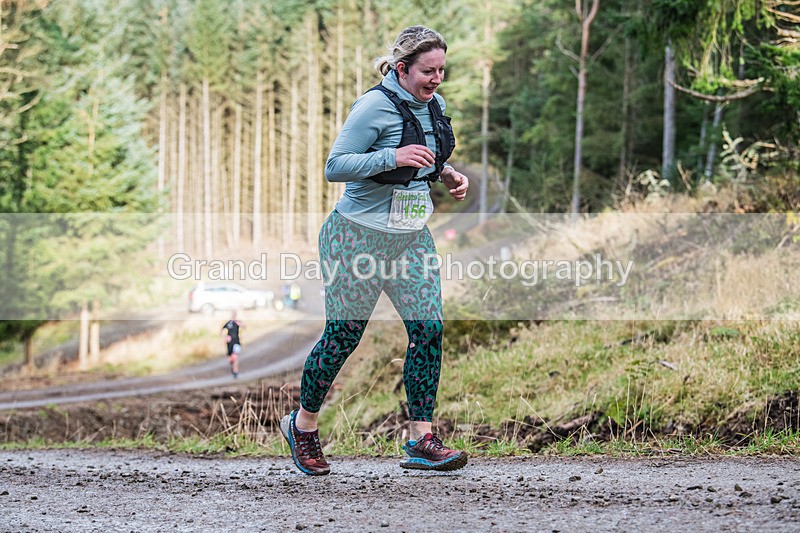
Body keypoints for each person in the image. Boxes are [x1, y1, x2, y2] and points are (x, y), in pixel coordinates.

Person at [280, 26, 469, 476]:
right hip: (356, 237)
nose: (437, 79)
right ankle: (302, 426)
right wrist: (393, 157)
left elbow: (426, 155)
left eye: (442, 70)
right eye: (428, 70)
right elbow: (335, 167)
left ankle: (420, 438)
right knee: (345, 336)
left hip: (410, 238)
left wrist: (446, 174)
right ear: (402, 69)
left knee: (429, 329)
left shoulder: (435, 106)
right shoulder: (373, 106)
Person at [221, 311, 243, 379]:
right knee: (230, 359)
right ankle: (233, 369)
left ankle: (235, 371)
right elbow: (221, 330)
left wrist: (238, 323)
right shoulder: (228, 323)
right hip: (229, 343)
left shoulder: (237, 322)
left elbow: (244, 326)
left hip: (236, 342)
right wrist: (225, 337)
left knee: (235, 357)